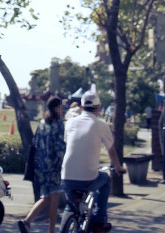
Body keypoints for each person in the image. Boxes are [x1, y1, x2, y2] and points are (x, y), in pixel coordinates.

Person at [60, 91, 124, 233]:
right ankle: (99, 221)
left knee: (70, 207)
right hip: (88, 178)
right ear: (98, 108)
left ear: (82, 107)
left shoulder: (69, 123)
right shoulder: (101, 125)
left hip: (66, 176)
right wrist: (118, 167)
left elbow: (68, 142)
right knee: (105, 179)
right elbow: (111, 150)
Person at [18, 96, 66, 233]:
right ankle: (51, 230)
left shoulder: (42, 122)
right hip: (54, 167)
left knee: (46, 198)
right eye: (61, 106)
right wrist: (65, 160)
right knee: (54, 197)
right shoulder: (58, 124)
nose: (62, 109)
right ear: (56, 108)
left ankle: (27, 221)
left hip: (41, 167)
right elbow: (59, 148)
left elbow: (35, 143)